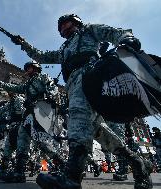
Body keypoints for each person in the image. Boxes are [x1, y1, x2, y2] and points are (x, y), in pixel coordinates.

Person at [9, 14, 152, 189]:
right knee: (100, 132)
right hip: (73, 86)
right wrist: (23, 44)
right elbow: (41, 56)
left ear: (76, 22)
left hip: (91, 77)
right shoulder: (63, 50)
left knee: (78, 120)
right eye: (61, 28)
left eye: (66, 25)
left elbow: (113, 33)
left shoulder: (89, 31)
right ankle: (138, 163)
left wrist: (127, 39)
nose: (64, 29)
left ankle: (72, 176)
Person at [0, 61, 65, 183]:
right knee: (22, 139)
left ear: (36, 68)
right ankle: (19, 172)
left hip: (41, 111)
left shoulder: (43, 77)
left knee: (40, 142)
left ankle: (63, 164)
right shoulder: (27, 84)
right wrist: (1, 84)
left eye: (29, 68)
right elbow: (16, 88)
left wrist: (48, 97)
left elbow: (53, 89)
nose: (26, 70)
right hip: (29, 113)